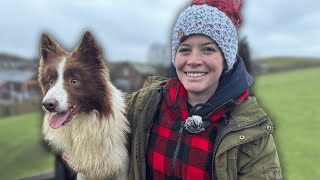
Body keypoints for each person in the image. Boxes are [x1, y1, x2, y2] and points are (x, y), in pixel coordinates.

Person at [64, 0, 283, 179]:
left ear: (226, 60)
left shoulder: (252, 133)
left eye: (208, 49)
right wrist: (78, 152)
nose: (194, 60)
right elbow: (95, 108)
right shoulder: (145, 104)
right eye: (185, 50)